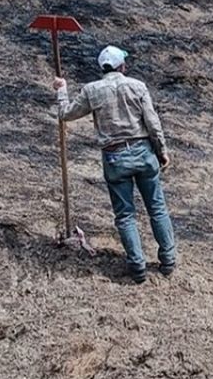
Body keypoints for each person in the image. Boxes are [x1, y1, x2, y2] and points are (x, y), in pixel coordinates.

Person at [53, 46, 176, 283]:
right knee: (157, 207)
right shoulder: (137, 86)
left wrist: (62, 90)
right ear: (122, 66)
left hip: (114, 157)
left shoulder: (92, 90)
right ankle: (168, 260)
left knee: (125, 215)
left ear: (103, 67)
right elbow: (153, 122)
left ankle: (137, 267)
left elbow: (65, 114)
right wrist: (161, 151)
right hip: (143, 152)